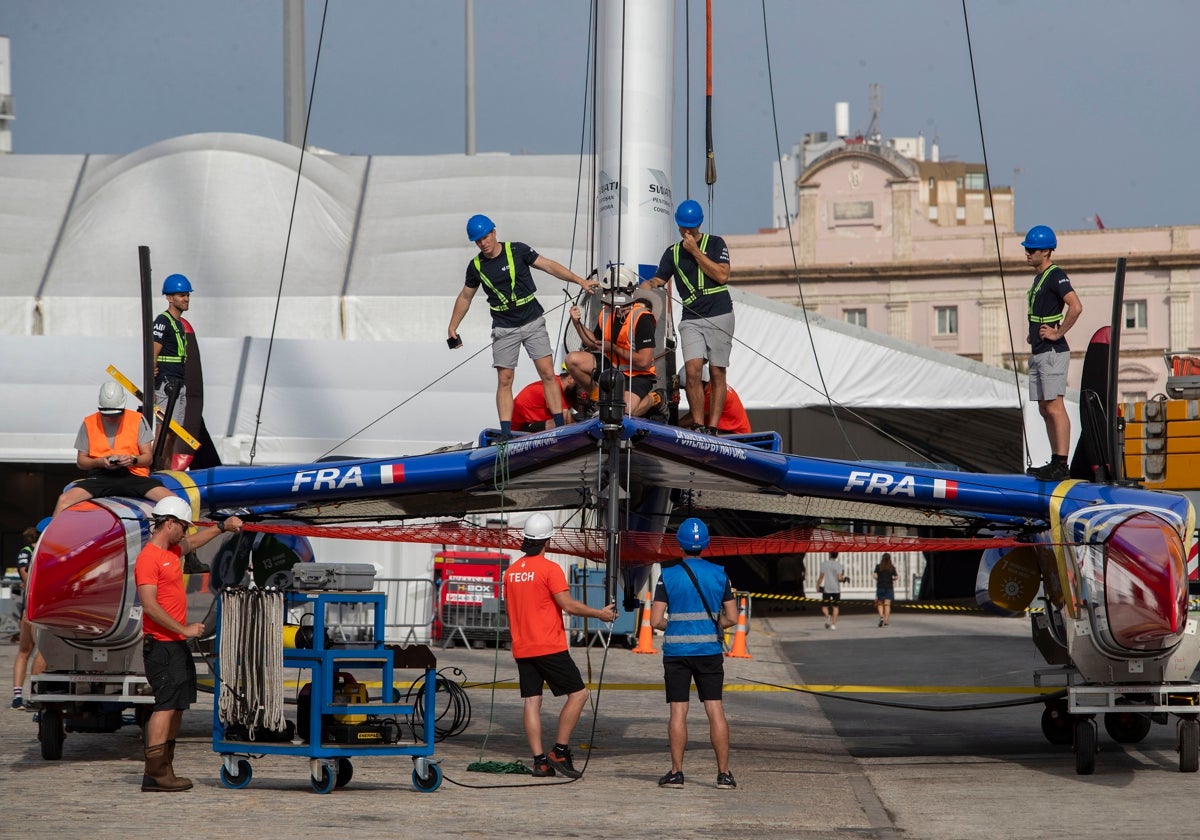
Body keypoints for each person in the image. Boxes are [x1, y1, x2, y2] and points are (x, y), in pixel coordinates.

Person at [448, 214, 599, 439]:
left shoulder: (517, 250)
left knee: (548, 373)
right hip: (504, 327)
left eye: (485, 237)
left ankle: (558, 426)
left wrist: (580, 281)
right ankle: (507, 435)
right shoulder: (476, 266)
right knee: (505, 379)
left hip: (532, 320)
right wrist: (453, 327)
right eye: (478, 241)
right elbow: (465, 297)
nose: (483, 243)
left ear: (494, 232)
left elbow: (548, 266)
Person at [135, 495, 243, 792]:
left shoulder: (171, 550)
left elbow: (194, 543)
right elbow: (149, 605)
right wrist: (183, 628)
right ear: (169, 523)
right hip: (161, 643)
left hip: (175, 643)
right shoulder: (149, 558)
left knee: (179, 704)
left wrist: (222, 526)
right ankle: (155, 773)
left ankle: (165, 767)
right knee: (165, 705)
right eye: (183, 526)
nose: (186, 532)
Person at [503, 513, 617, 779]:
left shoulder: (511, 573)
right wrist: (600, 614)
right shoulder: (549, 569)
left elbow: (511, 610)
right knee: (578, 694)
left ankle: (539, 762)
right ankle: (560, 750)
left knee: (532, 702)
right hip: (548, 645)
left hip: (522, 646)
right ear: (548, 540)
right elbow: (568, 605)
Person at [650, 517, 738, 790]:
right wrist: (711, 625)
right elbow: (732, 617)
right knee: (715, 710)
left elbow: (655, 621)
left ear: (680, 544)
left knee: (678, 711)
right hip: (709, 650)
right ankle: (723, 774)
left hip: (676, 651)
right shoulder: (719, 573)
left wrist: (676, 625)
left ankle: (676, 773)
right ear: (707, 544)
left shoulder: (668, 575)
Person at [650, 199, 733, 435]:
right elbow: (659, 279)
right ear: (677, 225)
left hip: (720, 312)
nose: (687, 232)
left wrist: (696, 252)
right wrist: (643, 285)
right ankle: (697, 424)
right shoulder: (672, 252)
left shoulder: (716, 244)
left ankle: (713, 427)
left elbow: (722, 276)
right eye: (684, 227)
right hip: (691, 317)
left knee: (718, 371)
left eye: (692, 228)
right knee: (693, 370)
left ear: (699, 225)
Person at [53, 382, 174, 515]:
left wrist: (132, 459)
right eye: (106, 414)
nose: (111, 418)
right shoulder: (89, 423)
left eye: (116, 414)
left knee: (172, 501)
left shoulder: (137, 420)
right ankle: (49, 535)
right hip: (101, 477)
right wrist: (100, 462)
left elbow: (148, 458)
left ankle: (182, 534)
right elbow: (81, 462)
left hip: (133, 476)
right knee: (63, 500)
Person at [1022, 225, 1083, 481]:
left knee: (1055, 406)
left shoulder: (1056, 274)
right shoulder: (1039, 278)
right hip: (1039, 350)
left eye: (1032, 249)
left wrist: (1057, 333)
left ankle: (1062, 463)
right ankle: (1054, 461)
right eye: (1026, 249)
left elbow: (1076, 306)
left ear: (1046, 251)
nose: (1027, 253)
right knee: (1044, 408)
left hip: (1052, 351)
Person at [567, 288, 663, 419]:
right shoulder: (606, 313)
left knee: (625, 411)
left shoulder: (642, 317)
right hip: (612, 367)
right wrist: (577, 323)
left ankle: (656, 398)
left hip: (637, 373)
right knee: (572, 360)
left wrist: (614, 348)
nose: (606, 295)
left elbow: (644, 362)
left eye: (609, 291)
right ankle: (597, 399)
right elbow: (593, 343)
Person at [152, 273, 197, 470]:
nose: (186, 299)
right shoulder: (163, 321)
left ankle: (167, 472)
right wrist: (151, 375)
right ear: (169, 298)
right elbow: (152, 351)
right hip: (166, 383)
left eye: (187, 295)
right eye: (181, 295)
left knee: (173, 433)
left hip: (178, 383)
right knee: (162, 432)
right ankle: (153, 471)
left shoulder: (178, 323)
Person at [11, 521, 47, 709]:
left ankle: (17, 696)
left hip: (28, 605)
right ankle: (35, 695)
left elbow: (24, 573)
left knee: (24, 651)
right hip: (39, 608)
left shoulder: (25, 550)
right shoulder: (45, 551)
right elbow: (27, 575)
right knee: (42, 651)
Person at [678, 371, 751, 435]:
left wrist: (673, 426)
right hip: (729, 431)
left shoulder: (711, 395)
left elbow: (693, 418)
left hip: (735, 434)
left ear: (701, 383)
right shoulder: (715, 387)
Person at [510, 373, 578, 433]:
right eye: (581, 383)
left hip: (533, 423)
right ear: (570, 379)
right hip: (519, 427)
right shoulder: (554, 385)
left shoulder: (567, 392)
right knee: (560, 421)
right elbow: (565, 417)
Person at [816, 551, 845, 630]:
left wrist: (817, 585)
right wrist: (843, 579)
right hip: (836, 589)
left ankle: (828, 616)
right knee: (835, 607)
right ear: (837, 555)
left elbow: (821, 577)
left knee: (824, 607)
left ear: (829, 554)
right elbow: (839, 578)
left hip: (827, 589)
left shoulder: (824, 564)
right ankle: (833, 625)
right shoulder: (839, 565)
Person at [874, 553, 898, 627]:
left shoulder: (878, 566)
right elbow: (896, 577)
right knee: (887, 605)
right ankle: (886, 622)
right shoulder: (891, 567)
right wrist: (892, 579)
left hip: (880, 586)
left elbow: (874, 575)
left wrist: (879, 579)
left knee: (880, 604)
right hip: (889, 587)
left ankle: (881, 617)